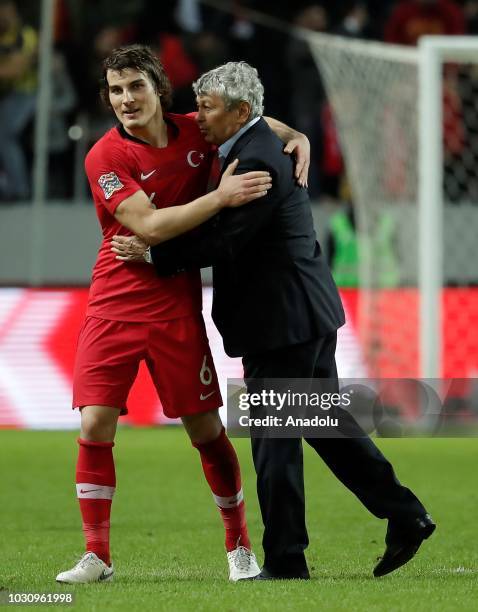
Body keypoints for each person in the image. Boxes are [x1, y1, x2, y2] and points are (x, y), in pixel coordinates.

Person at [114, 61, 436, 580]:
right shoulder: (257, 142)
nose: (198, 117)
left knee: (274, 442)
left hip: (281, 320)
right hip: (303, 313)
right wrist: (300, 133)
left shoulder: (256, 159)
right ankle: (405, 515)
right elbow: (235, 216)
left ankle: (287, 559)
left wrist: (155, 254)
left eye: (208, 108)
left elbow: (225, 239)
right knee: (325, 427)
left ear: (240, 111)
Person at [55, 44, 283, 585]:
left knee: (205, 429)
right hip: (113, 303)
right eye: (115, 90)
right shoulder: (105, 157)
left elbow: (250, 117)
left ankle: (239, 546)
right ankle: (97, 556)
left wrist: (293, 135)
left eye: (136, 86)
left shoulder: (193, 131)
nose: (126, 99)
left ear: (159, 88)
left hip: (174, 306)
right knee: (94, 422)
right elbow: (150, 228)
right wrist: (222, 197)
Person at [0, 0, 37, 201]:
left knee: (4, 133)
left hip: (27, 93)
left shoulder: (25, 35)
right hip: (5, 96)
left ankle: (19, 189)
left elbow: (14, 71)